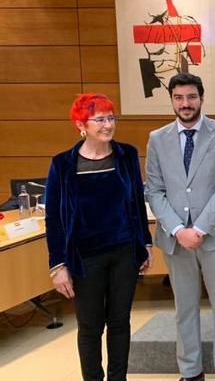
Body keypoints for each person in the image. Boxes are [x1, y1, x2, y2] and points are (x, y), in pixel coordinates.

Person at [44, 93, 152, 381]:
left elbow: (136, 203)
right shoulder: (62, 164)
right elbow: (53, 218)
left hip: (124, 252)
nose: (108, 124)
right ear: (81, 123)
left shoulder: (127, 155)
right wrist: (57, 265)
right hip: (83, 258)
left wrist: (145, 244)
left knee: (120, 322)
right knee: (90, 327)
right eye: (100, 119)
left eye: (111, 117)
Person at [145, 73, 215, 381]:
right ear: (171, 100)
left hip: (214, 237)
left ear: (201, 98)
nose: (185, 104)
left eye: (191, 97)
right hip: (175, 240)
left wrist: (199, 228)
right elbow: (154, 191)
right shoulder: (157, 139)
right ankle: (190, 371)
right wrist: (177, 229)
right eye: (179, 98)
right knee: (184, 307)